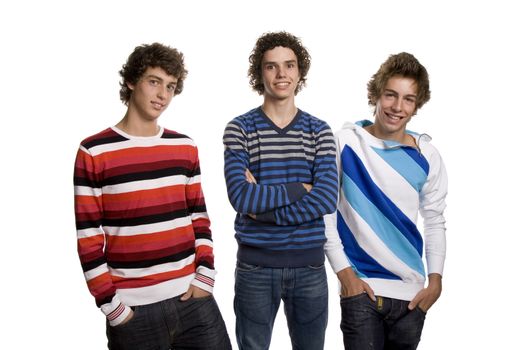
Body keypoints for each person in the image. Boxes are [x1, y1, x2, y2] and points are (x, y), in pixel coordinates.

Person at [73, 42, 231, 350]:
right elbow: (88, 239)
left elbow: (199, 218)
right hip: (133, 313)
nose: (162, 95)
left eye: (170, 86)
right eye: (154, 81)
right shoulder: (94, 151)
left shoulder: (184, 146)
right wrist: (113, 309)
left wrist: (205, 277)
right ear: (132, 81)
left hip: (193, 300)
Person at [324, 52, 448, 350]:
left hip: (412, 297)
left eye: (408, 99)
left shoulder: (427, 155)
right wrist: (346, 276)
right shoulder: (344, 142)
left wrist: (436, 282)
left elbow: (435, 221)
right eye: (391, 95)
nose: (397, 107)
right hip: (362, 290)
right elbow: (324, 214)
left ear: (417, 105)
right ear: (376, 95)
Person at [223, 31, 338, 350]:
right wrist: (301, 188)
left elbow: (327, 198)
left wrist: (260, 210)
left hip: (310, 265)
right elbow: (240, 197)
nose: (281, 74)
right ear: (259, 74)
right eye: (271, 66)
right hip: (255, 267)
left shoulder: (319, 131)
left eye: (289, 65)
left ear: (300, 72)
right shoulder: (240, 128)